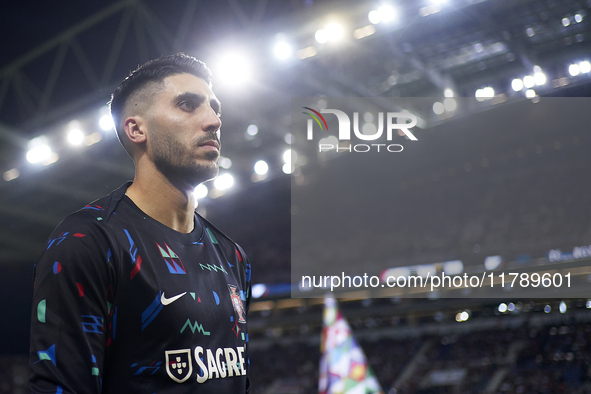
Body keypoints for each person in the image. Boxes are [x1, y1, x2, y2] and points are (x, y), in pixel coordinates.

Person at [29, 53, 252, 393]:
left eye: (215, 107)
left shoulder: (232, 256)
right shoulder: (89, 242)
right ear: (136, 129)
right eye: (189, 105)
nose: (214, 120)